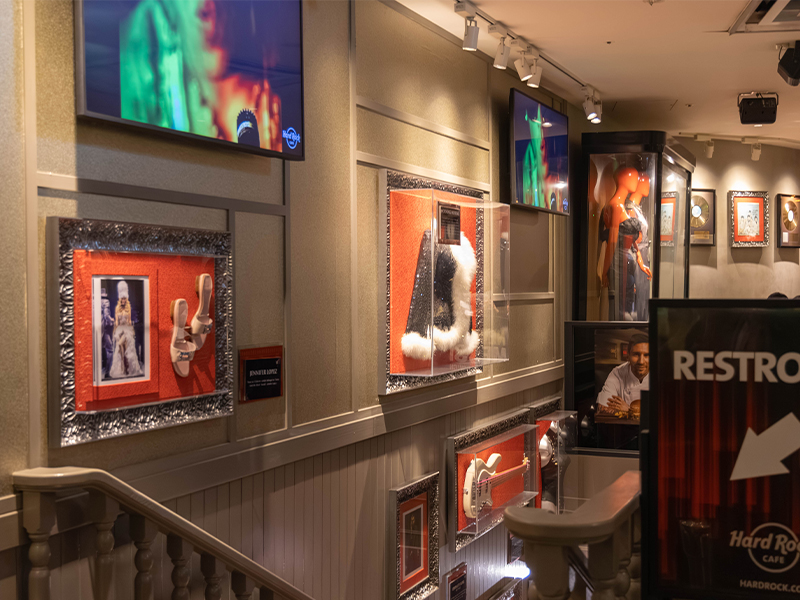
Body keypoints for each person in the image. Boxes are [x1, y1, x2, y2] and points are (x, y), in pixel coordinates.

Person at [597, 334, 649, 414]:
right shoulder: (617, 373)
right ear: (628, 356)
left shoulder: (661, 375)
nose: (641, 361)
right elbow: (604, 407)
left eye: (646, 355)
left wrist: (629, 410)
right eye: (636, 354)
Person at [109, 281, 144, 379]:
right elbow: (117, 322)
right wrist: (114, 331)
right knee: (120, 348)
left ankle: (127, 368)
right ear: (120, 298)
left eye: (125, 298)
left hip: (127, 329)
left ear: (126, 298)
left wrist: (132, 331)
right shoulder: (117, 308)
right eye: (122, 298)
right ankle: (123, 369)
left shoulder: (128, 307)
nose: (123, 300)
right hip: (120, 329)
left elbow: (129, 321)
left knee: (126, 345)